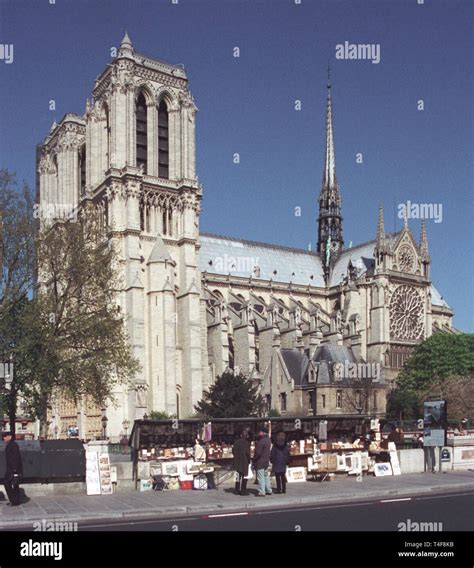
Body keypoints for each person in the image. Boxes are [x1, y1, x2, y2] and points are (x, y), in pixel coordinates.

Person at [2, 431, 23, 506]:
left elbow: (16, 458)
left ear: (9, 436)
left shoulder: (13, 445)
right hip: (11, 469)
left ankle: (14, 501)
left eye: (5, 436)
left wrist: (15, 471)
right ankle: (15, 501)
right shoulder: (10, 444)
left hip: (13, 469)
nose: (3, 438)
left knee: (8, 483)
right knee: (14, 484)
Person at [253, 427, 272, 497]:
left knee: (260, 477)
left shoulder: (261, 441)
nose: (258, 433)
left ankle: (262, 491)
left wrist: (254, 460)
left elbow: (258, 453)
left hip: (260, 461)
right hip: (266, 460)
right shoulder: (268, 440)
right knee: (266, 476)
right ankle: (268, 490)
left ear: (262, 433)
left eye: (260, 431)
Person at [232, 429, 251, 496]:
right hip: (244, 461)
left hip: (237, 461)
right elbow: (248, 453)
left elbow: (233, 451)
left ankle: (236, 490)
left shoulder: (236, 442)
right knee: (244, 477)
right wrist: (249, 460)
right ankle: (243, 490)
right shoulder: (247, 443)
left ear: (241, 435)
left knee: (238, 476)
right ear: (247, 436)